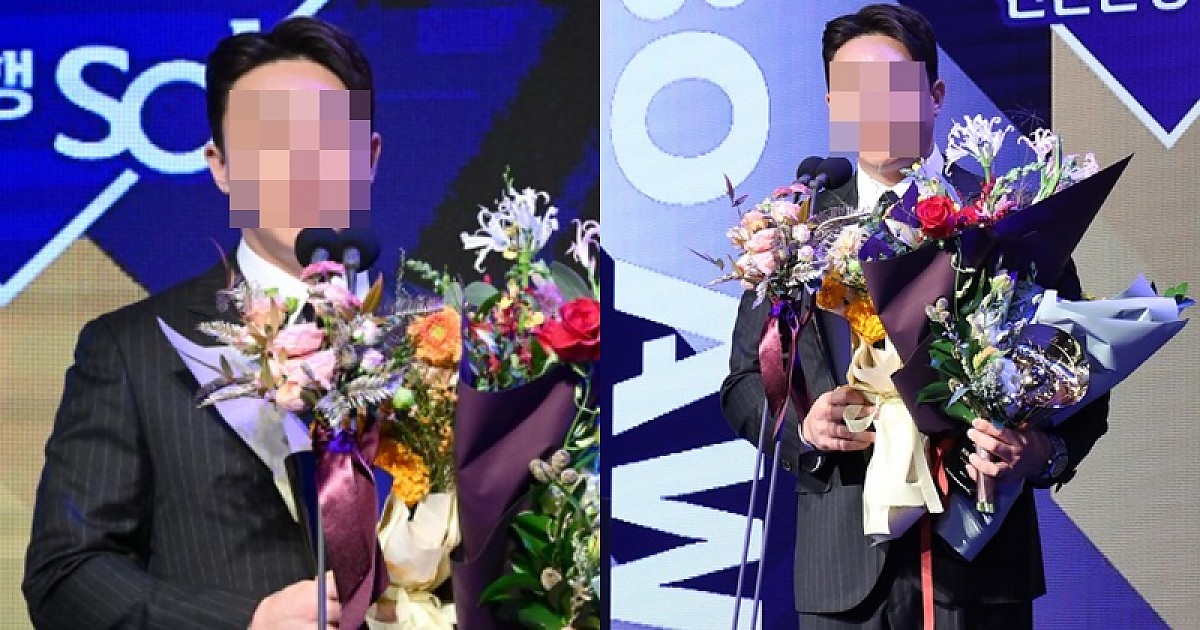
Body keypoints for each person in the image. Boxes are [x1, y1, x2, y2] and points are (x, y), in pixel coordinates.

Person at [719, 5, 1109, 629]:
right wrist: (805, 430)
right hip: (842, 571)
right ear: (833, 104)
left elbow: (1081, 377)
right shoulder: (794, 230)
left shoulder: (1006, 218)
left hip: (980, 567)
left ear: (935, 94)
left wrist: (1039, 451)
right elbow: (744, 384)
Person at [23, 17, 382, 630]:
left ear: (368, 157)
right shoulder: (133, 351)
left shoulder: (440, 347)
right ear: (221, 167)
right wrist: (245, 621)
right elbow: (67, 574)